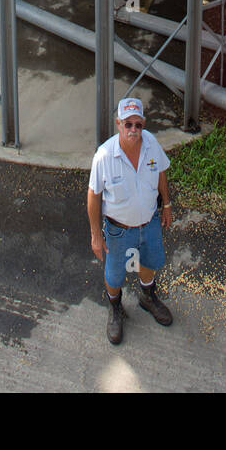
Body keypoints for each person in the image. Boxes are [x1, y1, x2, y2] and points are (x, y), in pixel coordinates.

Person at [87, 96, 174, 345]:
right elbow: (93, 197)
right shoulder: (104, 156)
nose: (134, 130)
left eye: (138, 124)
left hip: (149, 223)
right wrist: (96, 235)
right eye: (128, 124)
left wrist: (166, 204)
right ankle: (115, 308)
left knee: (150, 261)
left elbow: (161, 172)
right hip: (118, 230)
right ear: (118, 124)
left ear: (143, 124)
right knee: (114, 275)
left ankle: (148, 297)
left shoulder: (152, 144)